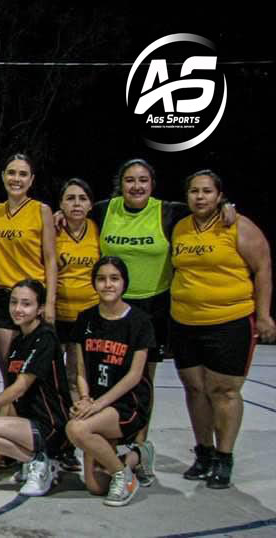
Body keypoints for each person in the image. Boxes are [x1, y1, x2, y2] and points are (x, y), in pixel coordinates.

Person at [85, 158, 234, 484]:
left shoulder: (170, 212)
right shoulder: (102, 210)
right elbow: (73, 213)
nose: (136, 186)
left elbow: (207, 209)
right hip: (109, 303)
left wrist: (229, 207)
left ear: (152, 185)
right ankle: (111, 443)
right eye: (129, 180)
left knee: (141, 383)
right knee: (104, 376)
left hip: (152, 309)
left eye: (142, 180)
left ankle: (139, 451)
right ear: (119, 184)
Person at [170, 170, 275, 489]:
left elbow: (262, 268)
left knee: (224, 391)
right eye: (193, 191)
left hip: (230, 321)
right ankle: (203, 453)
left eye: (206, 191)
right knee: (195, 389)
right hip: (185, 321)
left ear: (219, 196)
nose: (199, 197)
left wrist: (264, 315)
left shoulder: (237, 225)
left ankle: (224, 457)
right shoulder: (181, 227)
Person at [0, 280, 71, 497]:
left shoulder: (45, 337)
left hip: (51, 424)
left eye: (26, 304)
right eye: (14, 303)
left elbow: (19, 388)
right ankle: (34, 459)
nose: (18, 309)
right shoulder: (20, 340)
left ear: (39, 309)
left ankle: (41, 461)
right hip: (27, 421)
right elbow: (13, 395)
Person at [66, 257, 154, 507]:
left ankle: (123, 476)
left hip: (128, 402)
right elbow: (80, 369)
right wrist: (84, 399)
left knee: (77, 429)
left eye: (114, 279)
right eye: (101, 279)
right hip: (95, 401)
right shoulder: (85, 319)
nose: (108, 285)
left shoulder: (140, 321)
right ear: (94, 283)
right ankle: (138, 455)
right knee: (95, 487)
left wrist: (97, 405)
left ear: (124, 283)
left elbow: (135, 376)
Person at [0, 154, 58, 386]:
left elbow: (50, 259)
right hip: (0, 298)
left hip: (29, 298)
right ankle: (11, 420)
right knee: (9, 374)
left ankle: (35, 421)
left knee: (30, 374)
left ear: (31, 179)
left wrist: (50, 303)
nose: (16, 178)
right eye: (12, 173)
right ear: (3, 176)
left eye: (23, 174)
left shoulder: (41, 210)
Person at [54, 178, 100, 472]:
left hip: (88, 317)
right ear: (61, 204)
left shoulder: (99, 228)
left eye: (82, 198)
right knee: (56, 380)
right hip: (57, 313)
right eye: (70, 198)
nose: (76, 204)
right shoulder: (53, 229)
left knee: (78, 379)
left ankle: (79, 440)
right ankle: (60, 443)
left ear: (91, 204)